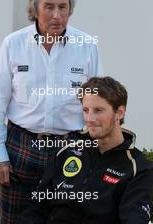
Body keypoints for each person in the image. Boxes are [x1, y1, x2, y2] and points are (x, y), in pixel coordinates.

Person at [0, 0, 103, 223]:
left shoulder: (87, 46)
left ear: (70, 10)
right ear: (35, 9)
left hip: (70, 152)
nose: (57, 15)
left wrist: (99, 152)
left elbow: (99, 104)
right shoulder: (13, 44)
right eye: (49, 7)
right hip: (20, 151)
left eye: (63, 7)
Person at [20, 76, 153, 224]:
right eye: (85, 110)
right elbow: (35, 207)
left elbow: (135, 219)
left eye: (98, 110)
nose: (89, 118)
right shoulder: (67, 150)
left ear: (120, 112)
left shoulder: (137, 168)